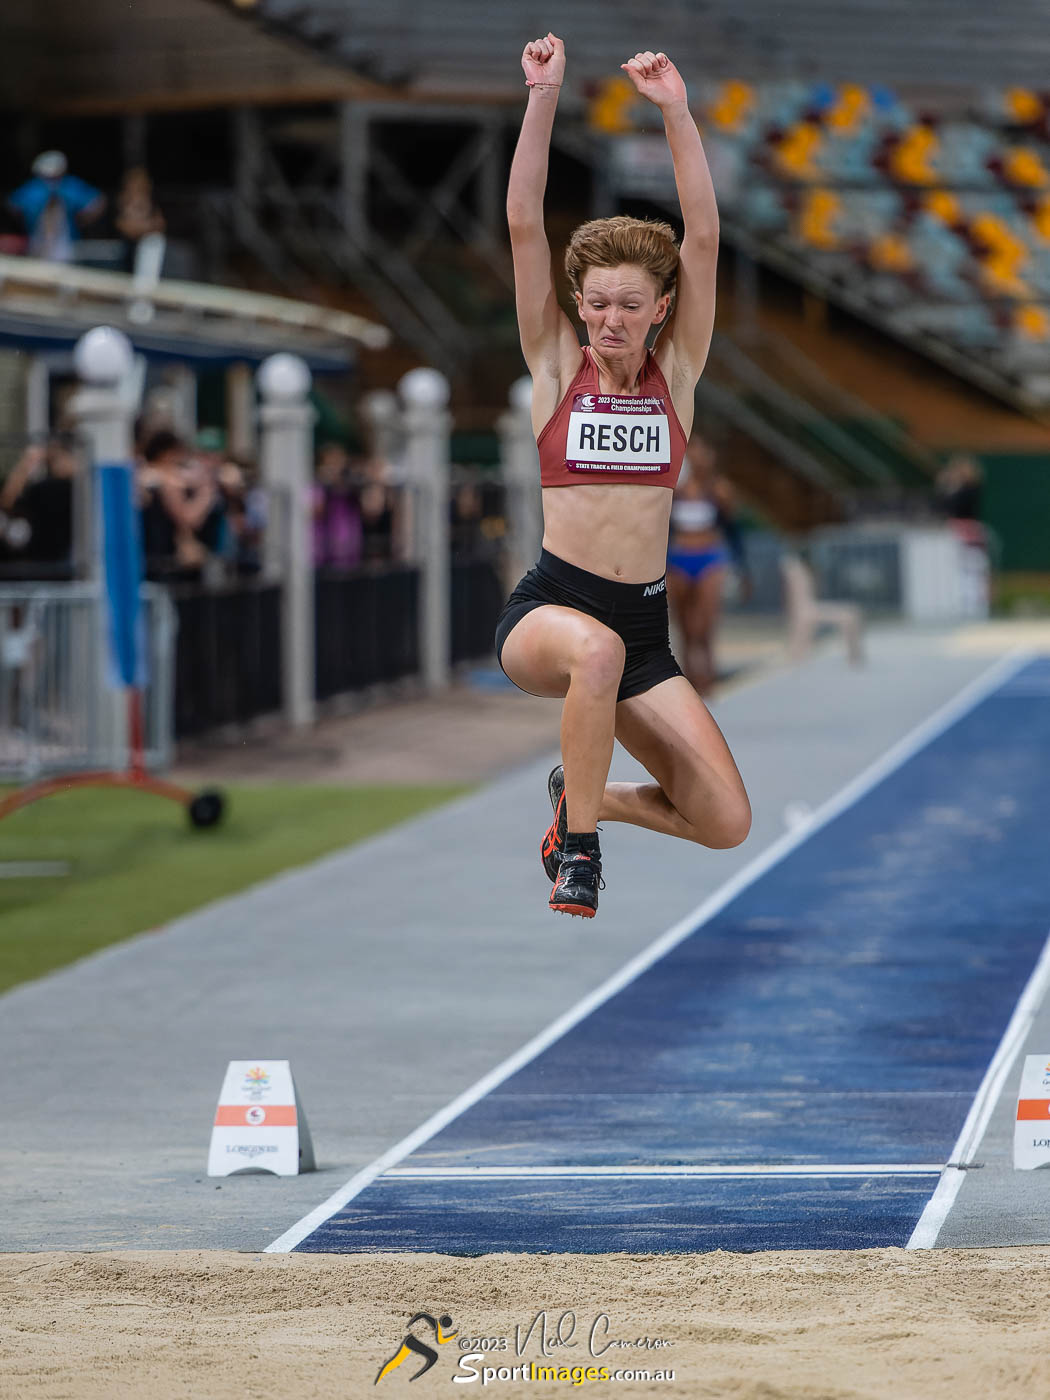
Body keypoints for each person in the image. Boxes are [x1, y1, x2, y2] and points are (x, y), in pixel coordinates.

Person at [495, 35, 751, 920]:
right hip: (550, 614)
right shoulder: (553, 369)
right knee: (592, 652)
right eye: (597, 302)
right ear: (577, 306)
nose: (610, 318)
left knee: (724, 820)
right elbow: (525, 219)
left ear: (661, 310)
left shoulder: (673, 379)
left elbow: (706, 238)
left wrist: (677, 111)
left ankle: (586, 792)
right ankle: (582, 852)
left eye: (629, 304)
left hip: (642, 632)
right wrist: (544, 95)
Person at [666, 434, 748, 694]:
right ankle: (689, 681)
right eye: (694, 452)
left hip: (709, 558)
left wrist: (742, 569)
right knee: (685, 627)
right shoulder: (675, 492)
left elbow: (734, 532)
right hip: (679, 560)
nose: (699, 458)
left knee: (706, 625)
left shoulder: (719, 490)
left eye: (704, 453)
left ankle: (709, 680)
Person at [7, 152, 105, 263]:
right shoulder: (35, 188)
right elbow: (14, 204)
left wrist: (81, 221)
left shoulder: (69, 186)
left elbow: (97, 201)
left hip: (66, 246)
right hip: (38, 244)